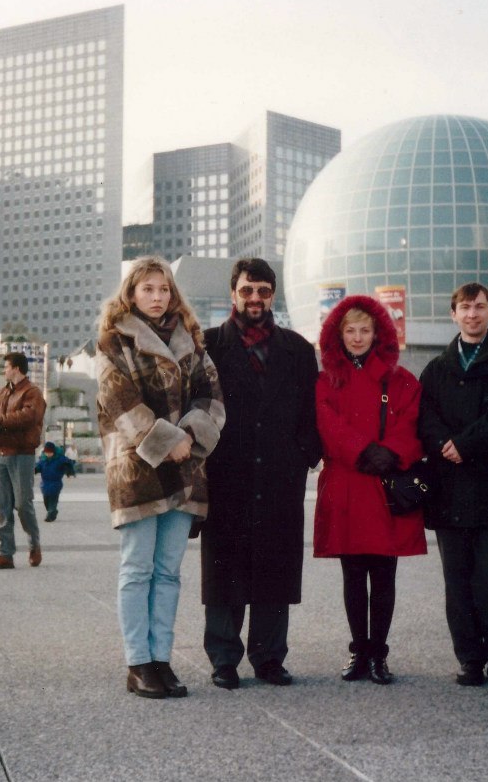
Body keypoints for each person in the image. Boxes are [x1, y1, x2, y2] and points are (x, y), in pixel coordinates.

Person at [96, 256, 224, 700]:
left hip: (186, 465)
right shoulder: (114, 341)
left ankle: (161, 660)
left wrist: (189, 437)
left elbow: (211, 396)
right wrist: (166, 440)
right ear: (131, 293)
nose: (157, 297)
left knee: (168, 572)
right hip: (138, 468)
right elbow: (120, 400)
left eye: (164, 289)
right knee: (137, 568)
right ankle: (138, 664)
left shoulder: (192, 339)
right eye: (148, 288)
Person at [199, 258, 322, 690]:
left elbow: (311, 410)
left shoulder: (298, 349)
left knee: (275, 566)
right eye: (247, 290)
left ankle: (269, 657)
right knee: (225, 567)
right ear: (233, 293)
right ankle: (224, 659)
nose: (255, 299)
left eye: (264, 291)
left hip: (279, 477)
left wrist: (303, 456)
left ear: (273, 295)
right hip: (226, 474)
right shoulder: (208, 345)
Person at [418, 283, 488, 688]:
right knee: (458, 583)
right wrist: (444, 445)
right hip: (449, 492)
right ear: (453, 314)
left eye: (479, 307)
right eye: (465, 308)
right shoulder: (435, 370)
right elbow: (424, 419)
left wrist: (464, 445)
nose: (472, 314)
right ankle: (469, 659)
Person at [314, 294, 426, 685]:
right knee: (352, 573)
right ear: (339, 335)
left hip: (382, 486)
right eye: (351, 331)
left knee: (383, 573)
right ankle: (359, 650)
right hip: (348, 484)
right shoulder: (327, 381)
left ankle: (378, 653)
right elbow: (327, 423)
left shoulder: (401, 379)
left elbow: (412, 423)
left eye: (365, 330)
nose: (358, 338)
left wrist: (389, 453)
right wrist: (364, 450)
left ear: (378, 334)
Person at [0, 352, 47, 571]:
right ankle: (6, 554)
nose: (4, 370)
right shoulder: (2, 392)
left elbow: (29, 416)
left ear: (17, 369)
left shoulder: (32, 392)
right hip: (0, 453)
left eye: (6, 367)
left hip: (21, 454)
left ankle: (34, 545)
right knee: (4, 507)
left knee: (23, 504)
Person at [34, 441, 76, 522]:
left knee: (53, 500)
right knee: (46, 501)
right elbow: (38, 467)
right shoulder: (43, 459)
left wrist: (69, 472)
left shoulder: (59, 459)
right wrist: (34, 470)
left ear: (53, 452)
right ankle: (52, 512)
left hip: (56, 483)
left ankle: (50, 515)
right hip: (45, 484)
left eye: (50, 452)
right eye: (47, 452)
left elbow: (68, 464)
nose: (48, 454)